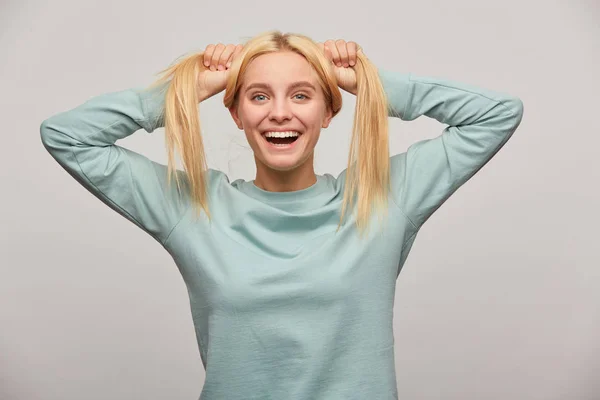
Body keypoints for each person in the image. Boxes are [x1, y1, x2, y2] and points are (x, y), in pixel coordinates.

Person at [40, 30, 524, 399]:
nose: (279, 113)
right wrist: (192, 87)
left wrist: (368, 83)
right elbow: (67, 136)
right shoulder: (191, 207)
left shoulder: (382, 196)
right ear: (236, 114)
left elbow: (498, 114)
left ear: (328, 111)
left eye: (301, 94)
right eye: (258, 96)